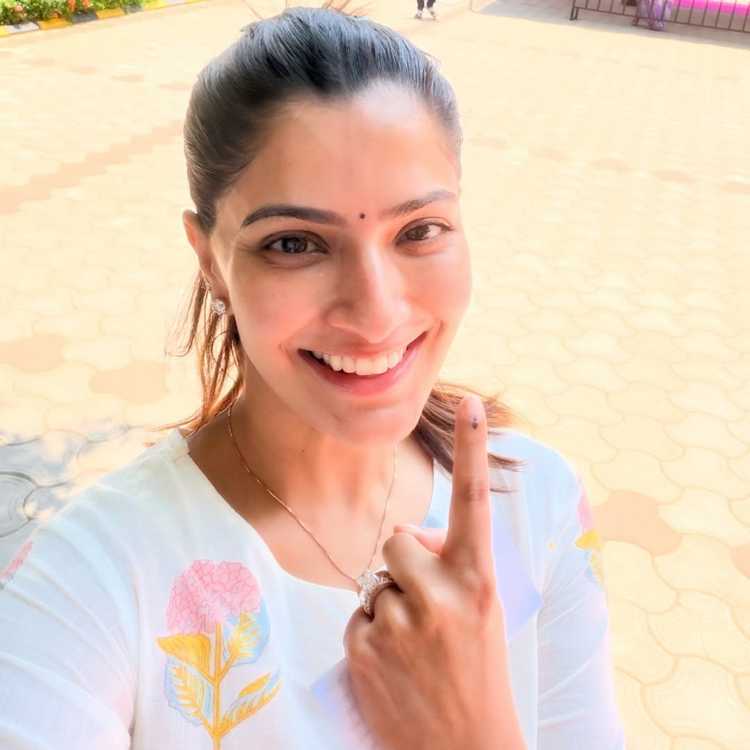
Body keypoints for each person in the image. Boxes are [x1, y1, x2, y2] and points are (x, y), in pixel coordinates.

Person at [0, 3, 627, 748]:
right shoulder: (91, 585)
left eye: (419, 231)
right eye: (295, 243)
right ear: (210, 262)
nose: (375, 312)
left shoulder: (537, 506)